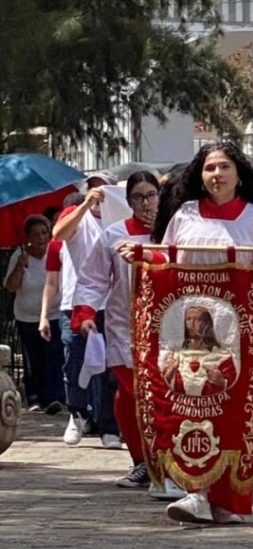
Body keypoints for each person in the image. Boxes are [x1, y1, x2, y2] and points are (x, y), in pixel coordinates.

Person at [144, 142, 253, 524]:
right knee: (189, 404)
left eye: (223, 167)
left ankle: (228, 500)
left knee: (230, 412)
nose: (216, 175)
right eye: (208, 168)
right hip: (185, 329)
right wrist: (139, 256)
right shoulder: (185, 214)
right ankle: (195, 492)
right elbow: (165, 259)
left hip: (237, 335)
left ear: (239, 173)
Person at [71, 171, 161, 486]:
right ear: (129, 201)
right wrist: (85, 312)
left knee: (164, 397)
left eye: (151, 195)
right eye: (138, 197)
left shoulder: (175, 231)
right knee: (132, 393)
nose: (146, 202)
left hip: (171, 329)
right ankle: (142, 462)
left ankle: (170, 461)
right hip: (126, 327)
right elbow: (93, 278)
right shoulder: (114, 234)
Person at [52, 173, 119, 448]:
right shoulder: (77, 215)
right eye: (92, 187)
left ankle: (108, 426)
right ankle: (76, 414)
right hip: (75, 303)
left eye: (103, 187)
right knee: (75, 361)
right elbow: (59, 234)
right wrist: (83, 207)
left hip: (110, 304)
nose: (97, 192)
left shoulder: (118, 222)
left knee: (108, 368)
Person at [4, 215, 64, 413]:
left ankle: (53, 398)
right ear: (27, 237)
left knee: (53, 357)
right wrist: (20, 266)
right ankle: (34, 398)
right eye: (35, 234)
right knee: (32, 360)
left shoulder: (56, 253)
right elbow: (11, 287)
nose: (41, 238)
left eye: (44, 233)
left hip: (53, 314)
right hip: (27, 316)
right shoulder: (19, 255)